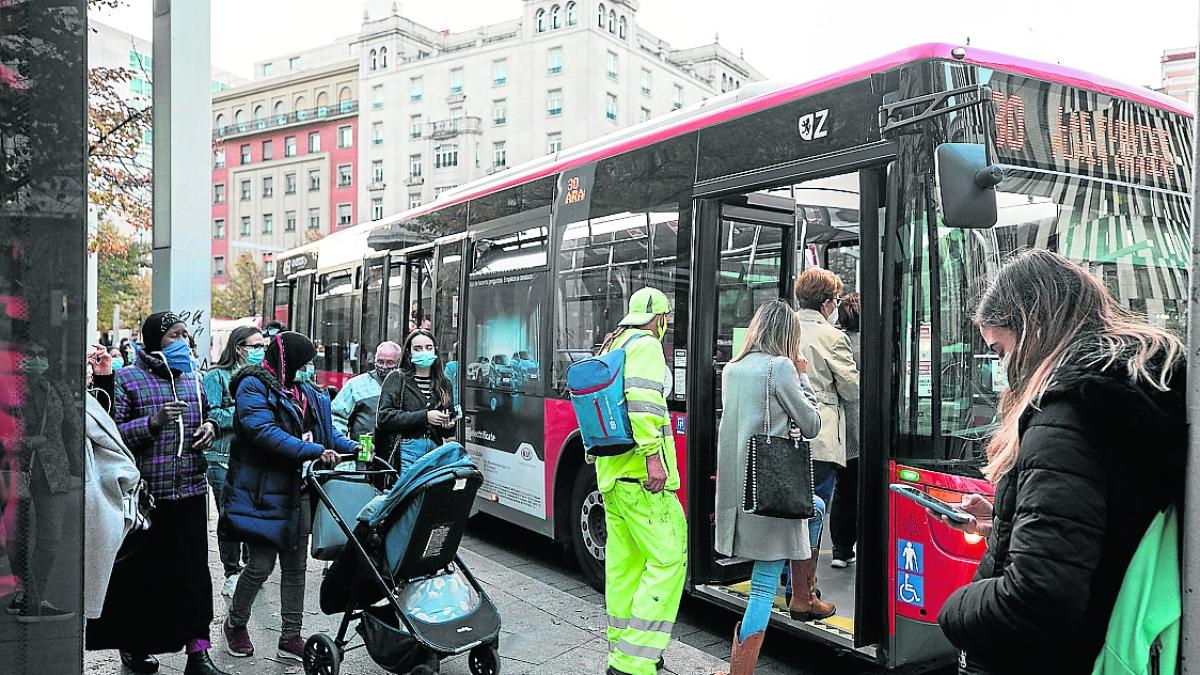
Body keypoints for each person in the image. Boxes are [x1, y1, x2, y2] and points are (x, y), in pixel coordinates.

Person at [936, 250, 1186, 674]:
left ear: (1033, 328)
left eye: (1000, 351)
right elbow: (1098, 523)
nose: (1002, 368)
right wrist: (1008, 518)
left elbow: (1039, 594)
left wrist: (955, 609)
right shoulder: (1128, 393)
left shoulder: (1065, 414)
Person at [87, 312, 225, 675]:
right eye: (174, 335)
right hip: (147, 496)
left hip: (191, 490)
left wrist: (211, 426)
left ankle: (199, 653)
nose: (184, 341)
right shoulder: (129, 379)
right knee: (143, 578)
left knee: (193, 576)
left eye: (186, 335)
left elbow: (211, 413)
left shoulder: (193, 378)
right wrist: (154, 422)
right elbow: (111, 434)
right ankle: (135, 647)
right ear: (154, 340)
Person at [220, 331, 356, 661]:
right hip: (264, 492)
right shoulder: (253, 386)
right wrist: (314, 451)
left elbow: (325, 432)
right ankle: (235, 623)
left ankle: (291, 636)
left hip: (300, 491)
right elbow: (263, 432)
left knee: (296, 568)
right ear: (288, 360)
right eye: (305, 362)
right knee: (260, 565)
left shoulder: (305, 391)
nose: (309, 368)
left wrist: (353, 448)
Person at [715, 300, 826, 673]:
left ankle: (803, 594)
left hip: (743, 491)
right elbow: (811, 424)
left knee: (816, 509)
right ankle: (741, 670)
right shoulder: (780, 368)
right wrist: (803, 375)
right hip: (773, 491)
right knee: (762, 587)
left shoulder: (733, 368)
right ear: (788, 334)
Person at [597, 287, 686, 675]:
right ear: (660, 319)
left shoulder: (613, 344)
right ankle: (635, 660)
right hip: (640, 477)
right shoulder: (647, 346)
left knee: (624, 567)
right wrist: (653, 458)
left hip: (612, 477)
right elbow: (644, 403)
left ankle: (622, 649)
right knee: (669, 559)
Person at [5, 340, 82, 623]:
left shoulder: (57, 389)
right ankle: (26, 596)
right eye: (30, 354)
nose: (37, 359)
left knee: (50, 538)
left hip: (53, 473)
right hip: (14, 470)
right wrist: (26, 442)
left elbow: (73, 429)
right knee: (15, 538)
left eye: (42, 354)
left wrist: (81, 467)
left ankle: (31, 598)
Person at [793, 269, 858, 540]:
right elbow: (851, 389)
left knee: (787, 513)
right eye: (835, 299)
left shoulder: (784, 328)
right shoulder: (833, 337)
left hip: (784, 433)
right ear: (826, 303)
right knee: (814, 513)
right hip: (819, 437)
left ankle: (787, 565)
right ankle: (804, 568)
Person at [202, 325, 265, 597]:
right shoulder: (216, 376)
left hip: (255, 459)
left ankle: (250, 569)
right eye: (255, 346)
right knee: (229, 516)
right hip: (222, 458)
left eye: (263, 346)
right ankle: (231, 572)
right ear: (239, 348)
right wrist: (245, 412)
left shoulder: (263, 377)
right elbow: (212, 414)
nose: (260, 351)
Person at [375, 330, 454, 473]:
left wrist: (448, 425)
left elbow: (446, 432)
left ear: (435, 351)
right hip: (406, 449)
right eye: (418, 349)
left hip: (435, 451)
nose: (424, 352)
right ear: (409, 353)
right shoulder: (397, 378)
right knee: (409, 487)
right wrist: (425, 416)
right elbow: (384, 417)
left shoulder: (444, 383)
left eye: (428, 348)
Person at [830, 292, 861, 568]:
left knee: (843, 491)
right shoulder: (873, 343)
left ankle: (841, 550)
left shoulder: (837, 342)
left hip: (843, 431)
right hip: (866, 432)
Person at [332, 341, 401, 442]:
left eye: (390, 363)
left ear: (399, 363)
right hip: (364, 447)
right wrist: (343, 443)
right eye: (380, 362)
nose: (384, 367)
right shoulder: (355, 385)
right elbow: (336, 417)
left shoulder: (406, 385)